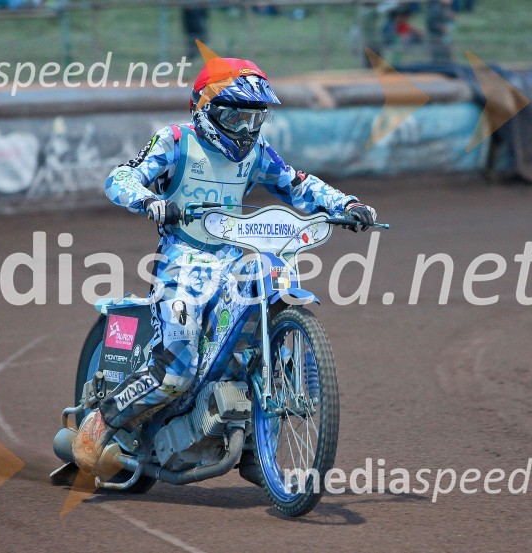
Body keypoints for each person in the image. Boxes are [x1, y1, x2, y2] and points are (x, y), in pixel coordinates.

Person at [72, 58, 378, 473]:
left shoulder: (256, 153)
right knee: (175, 370)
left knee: (249, 342)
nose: (246, 129)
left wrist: (347, 205)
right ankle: (102, 420)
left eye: (255, 119)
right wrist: (151, 201)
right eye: (236, 115)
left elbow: (298, 184)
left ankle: (253, 446)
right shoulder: (176, 140)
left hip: (234, 259)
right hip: (183, 262)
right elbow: (120, 178)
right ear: (205, 109)